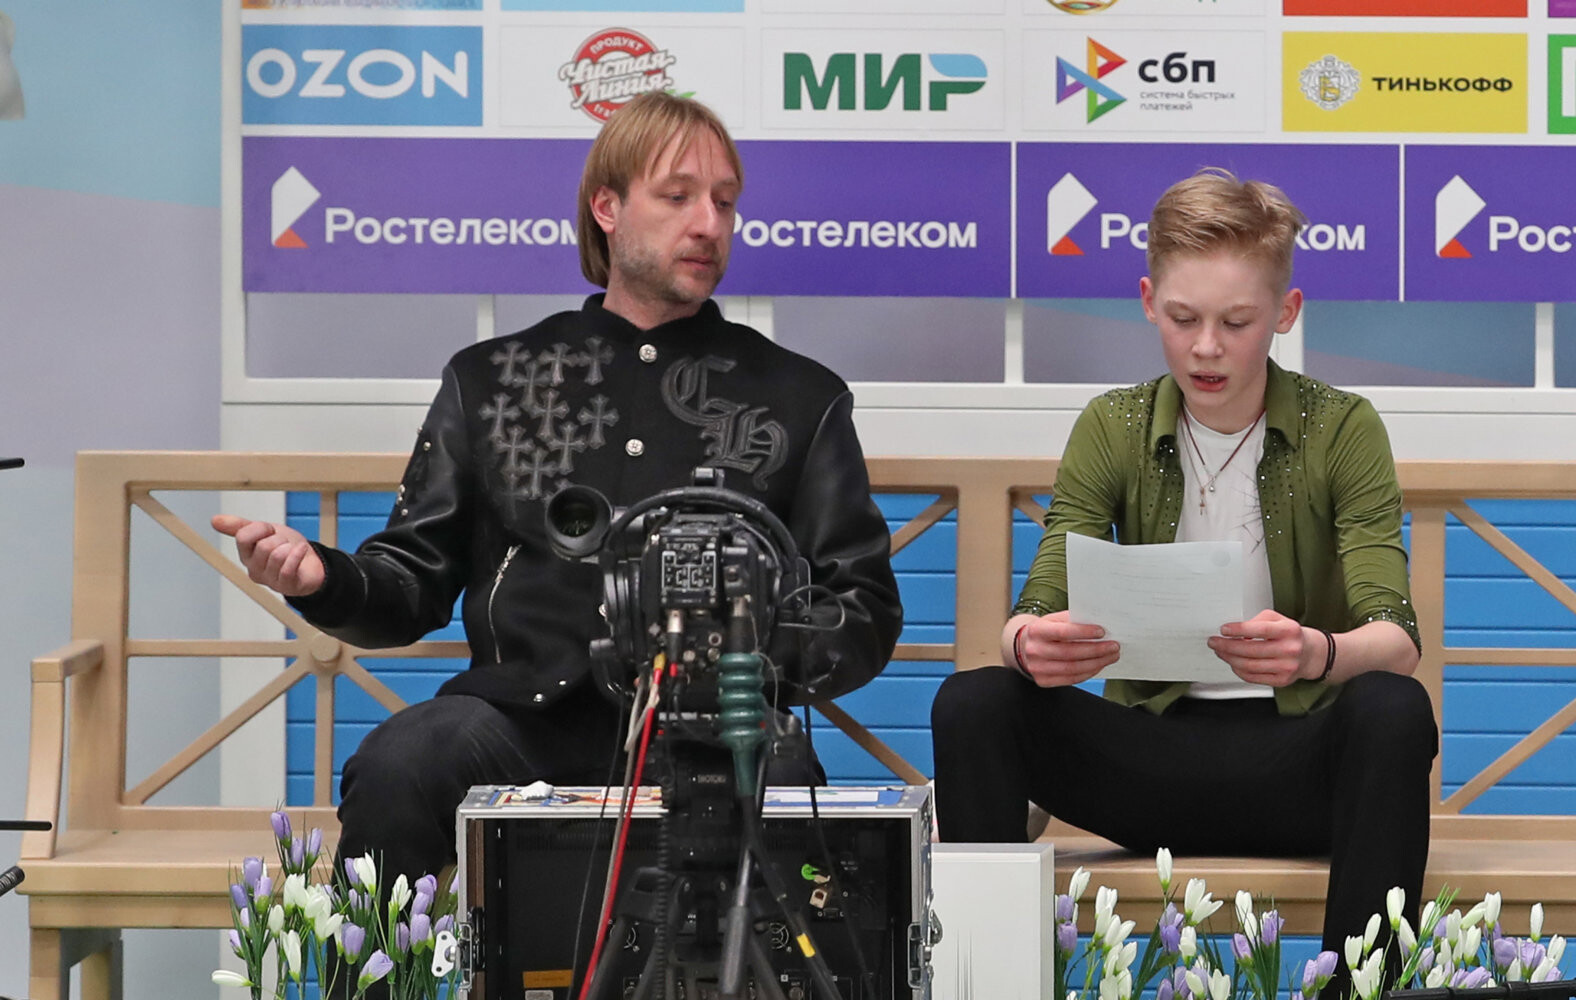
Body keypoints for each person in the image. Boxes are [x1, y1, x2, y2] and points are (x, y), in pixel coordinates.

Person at [213, 92, 903, 882]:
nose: (708, 224)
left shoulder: (798, 397)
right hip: (521, 722)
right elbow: (411, 579)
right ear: (607, 208)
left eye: (724, 201)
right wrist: (323, 579)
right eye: (677, 196)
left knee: (784, 787)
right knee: (404, 761)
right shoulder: (496, 380)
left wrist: (745, 653)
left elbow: (862, 607)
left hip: (719, 731)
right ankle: (373, 956)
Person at [931, 168, 1435, 966]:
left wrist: (1316, 652)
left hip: (1299, 766)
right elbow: (1042, 592)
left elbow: (1396, 636)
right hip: (1147, 762)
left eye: (1237, 322)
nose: (1206, 347)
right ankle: (985, 979)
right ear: (1146, 301)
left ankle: (1355, 987)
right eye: (1182, 318)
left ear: (1285, 313)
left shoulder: (1342, 426)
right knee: (975, 701)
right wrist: (1029, 643)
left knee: (1394, 709)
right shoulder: (1114, 422)